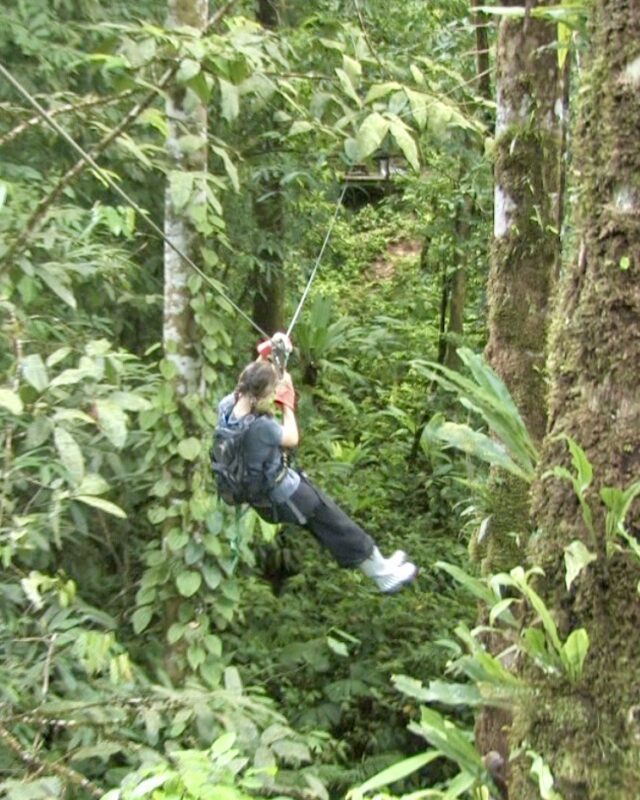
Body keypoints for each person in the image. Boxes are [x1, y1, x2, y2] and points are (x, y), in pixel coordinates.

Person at [215, 339, 418, 594]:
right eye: (271, 393)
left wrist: (267, 352)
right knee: (337, 526)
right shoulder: (261, 427)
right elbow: (291, 438)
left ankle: (380, 566)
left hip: (268, 495)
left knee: (333, 526)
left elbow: (252, 378)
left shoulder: (227, 407)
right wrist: (287, 403)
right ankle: (383, 574)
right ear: (261, 396)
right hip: (282, 495)